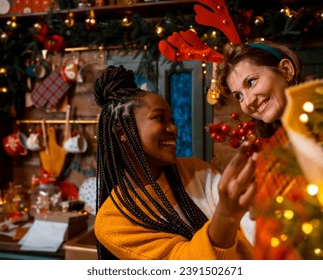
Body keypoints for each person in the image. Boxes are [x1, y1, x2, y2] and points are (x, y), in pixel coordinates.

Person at [93, 65, 256, 260]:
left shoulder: (195, 170)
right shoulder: (114, 220)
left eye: (172, 120)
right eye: (159, 118)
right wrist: (227, 215)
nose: (173, 129)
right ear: (122, 132)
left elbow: (250, 224)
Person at [216, 40, 323, 259]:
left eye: (251, 82)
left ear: (286, 70)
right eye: (239, 96)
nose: (248, 101)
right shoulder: (267, 154)